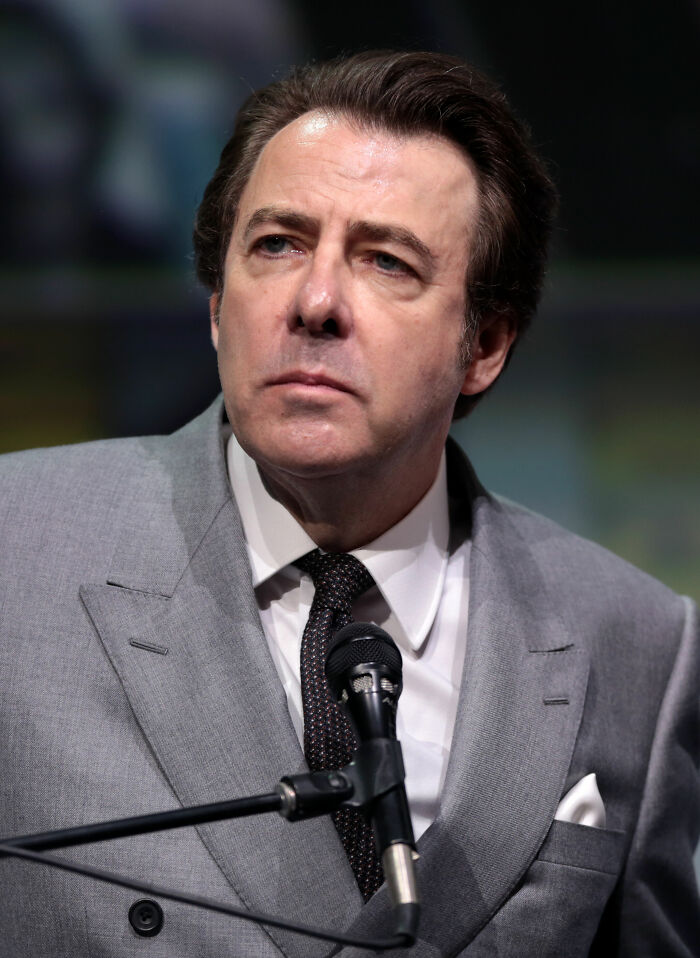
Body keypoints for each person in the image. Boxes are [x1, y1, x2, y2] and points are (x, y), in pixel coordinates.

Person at [0, 50, 697, 958]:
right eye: (277, 245)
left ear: (484, 344)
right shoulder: (17, 549)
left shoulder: (639, 642)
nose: (316, 301)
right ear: (217, 306)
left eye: (386, 262)